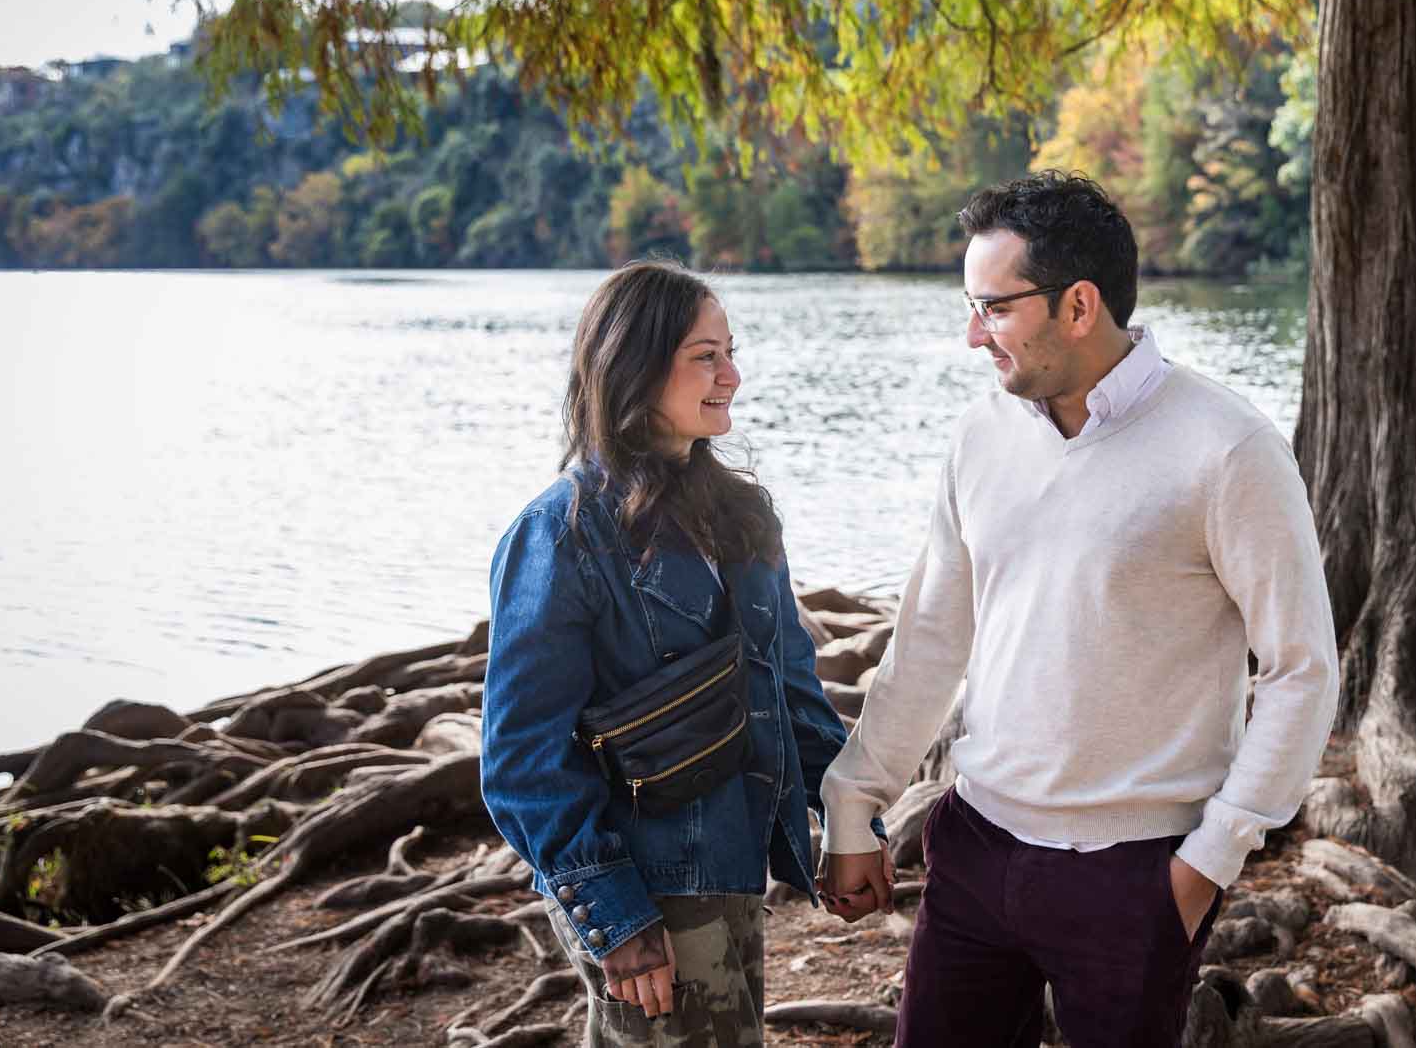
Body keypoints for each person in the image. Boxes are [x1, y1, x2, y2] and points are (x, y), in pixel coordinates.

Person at [817, 172, 1340, 1047]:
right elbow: (933, 638)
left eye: (994, 308)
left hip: (1137, 878)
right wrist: (854, 799)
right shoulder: (982, 432)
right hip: (976, 849)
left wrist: (1207, 862)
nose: (972, 334)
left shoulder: (1227, 447)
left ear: (1080, 304)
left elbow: (1301, 669)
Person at [482, 260, 872, 1047]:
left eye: (731, 351)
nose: (732, 374)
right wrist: (616, 916)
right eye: (706, 355)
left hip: (729, 872)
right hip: (642, 891)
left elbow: (790, 685)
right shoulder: (562, 532)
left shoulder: (745, 514)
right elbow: (521, 758)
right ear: (635, 362)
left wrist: (849, 821)